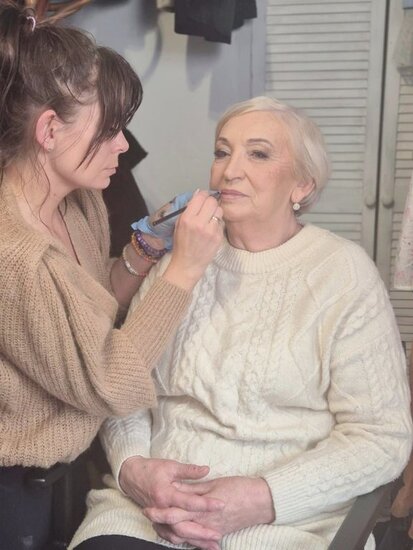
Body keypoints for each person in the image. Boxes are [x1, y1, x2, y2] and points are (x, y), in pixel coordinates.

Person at [70, 96, 413, 550]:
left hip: (290, 526)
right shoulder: (179, 261)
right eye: (222, 152)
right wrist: (134, 468)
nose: (230, 171)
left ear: (302, 185)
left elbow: (382, 437)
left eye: (259, 154)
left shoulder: (343, 275)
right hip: (148, 513)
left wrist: (265, 497)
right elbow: (126, 389)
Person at [0, 2, 224, 549]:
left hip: (71, 469)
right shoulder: (14, 256)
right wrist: (184, 269)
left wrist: (143, 252)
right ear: (49, 130)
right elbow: (111, 379)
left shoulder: (78, 204)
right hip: (13, 493)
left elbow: (85, 305)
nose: (124, 145)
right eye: (111, 129)